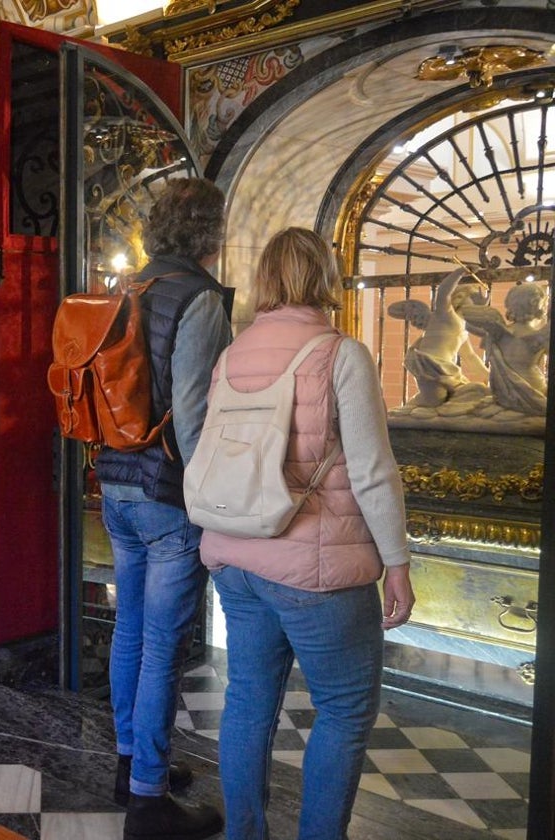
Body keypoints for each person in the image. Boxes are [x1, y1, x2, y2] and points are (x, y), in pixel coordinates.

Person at [197, 227, 413, 840]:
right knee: (343, 711)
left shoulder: (231, 355)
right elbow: (371, 471)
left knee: (248, 699)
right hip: (318, 567)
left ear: (267, 279)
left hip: (237, 559)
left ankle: (245, 834)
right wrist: (396, 561)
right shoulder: (340, 354)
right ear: (326, 277)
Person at [92, 177, 231, 840]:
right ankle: (148, 798)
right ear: (208, 233)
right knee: (162, 644)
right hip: (167, 490)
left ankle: (130, 764)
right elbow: (195, 413)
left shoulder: (127, 289)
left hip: (114, 479)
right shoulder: (198, 296)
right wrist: (210, 498)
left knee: (131, 632)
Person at [389, 267, 488, 407]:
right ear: (460, 298)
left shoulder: (462, 329)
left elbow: (470, 356)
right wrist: (460, 272)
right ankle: (409, 410)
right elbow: (443, 293)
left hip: (449, 372)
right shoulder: (445, 314)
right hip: (430, 367)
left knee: (472, 393)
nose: (476, 307)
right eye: (473, 300)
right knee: (435, 402)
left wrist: (488, 376)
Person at [463, 282, 550, 415]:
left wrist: (479, 307)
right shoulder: (541, 335)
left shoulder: (499, 331)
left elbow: (467, 324)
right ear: (538, 305)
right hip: (533, 388)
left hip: (503, 392)